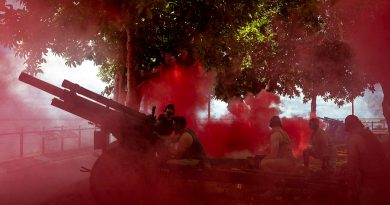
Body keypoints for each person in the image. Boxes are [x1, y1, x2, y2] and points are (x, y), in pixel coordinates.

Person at [344, 115, 390, 205]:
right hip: (386, 179)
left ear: (348, 127)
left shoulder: (354, 139)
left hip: (371, 183)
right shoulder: (370, 134)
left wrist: (351, 188)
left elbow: (352, 167)